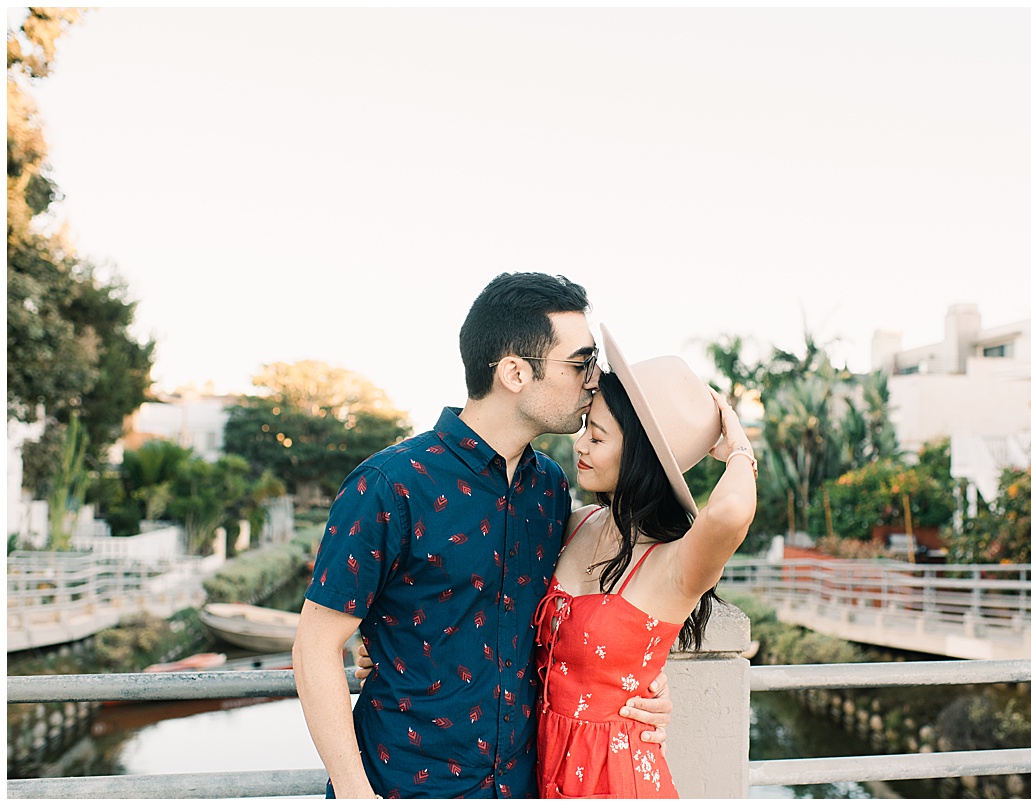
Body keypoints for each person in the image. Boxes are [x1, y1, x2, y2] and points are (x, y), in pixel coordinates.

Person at [292, 273, 672, 800]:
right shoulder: (390, 485)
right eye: (581, 362)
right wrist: (357, 796)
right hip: (402, 785)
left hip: (523, 786)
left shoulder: (550, 488)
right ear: (515, 372)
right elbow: (314, 646)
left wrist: (637, 681)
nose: (594, 380)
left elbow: (571, 615)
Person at [359, 323, 758, 798]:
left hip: (614, 773)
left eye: (600, 437)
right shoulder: (576, 522)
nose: (581, 444)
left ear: (643, 458)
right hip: (539, 764)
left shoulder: (675, 563)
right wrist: (392, 643)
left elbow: (732, 511)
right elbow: (489, 582)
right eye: (588, 427)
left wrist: (737, 446)